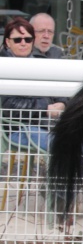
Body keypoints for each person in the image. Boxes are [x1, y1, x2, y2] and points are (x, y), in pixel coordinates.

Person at [1, 17, 66, 151]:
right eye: (18, 40)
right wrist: (46, 108)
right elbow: (8, 106)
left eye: (28, 39)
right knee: (66, 145)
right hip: (18, 128)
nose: (23, 43)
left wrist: (62, 103)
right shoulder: (4, 66)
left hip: (46, 125)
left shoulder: (39, 63)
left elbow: (60, 88)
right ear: (8, 42)